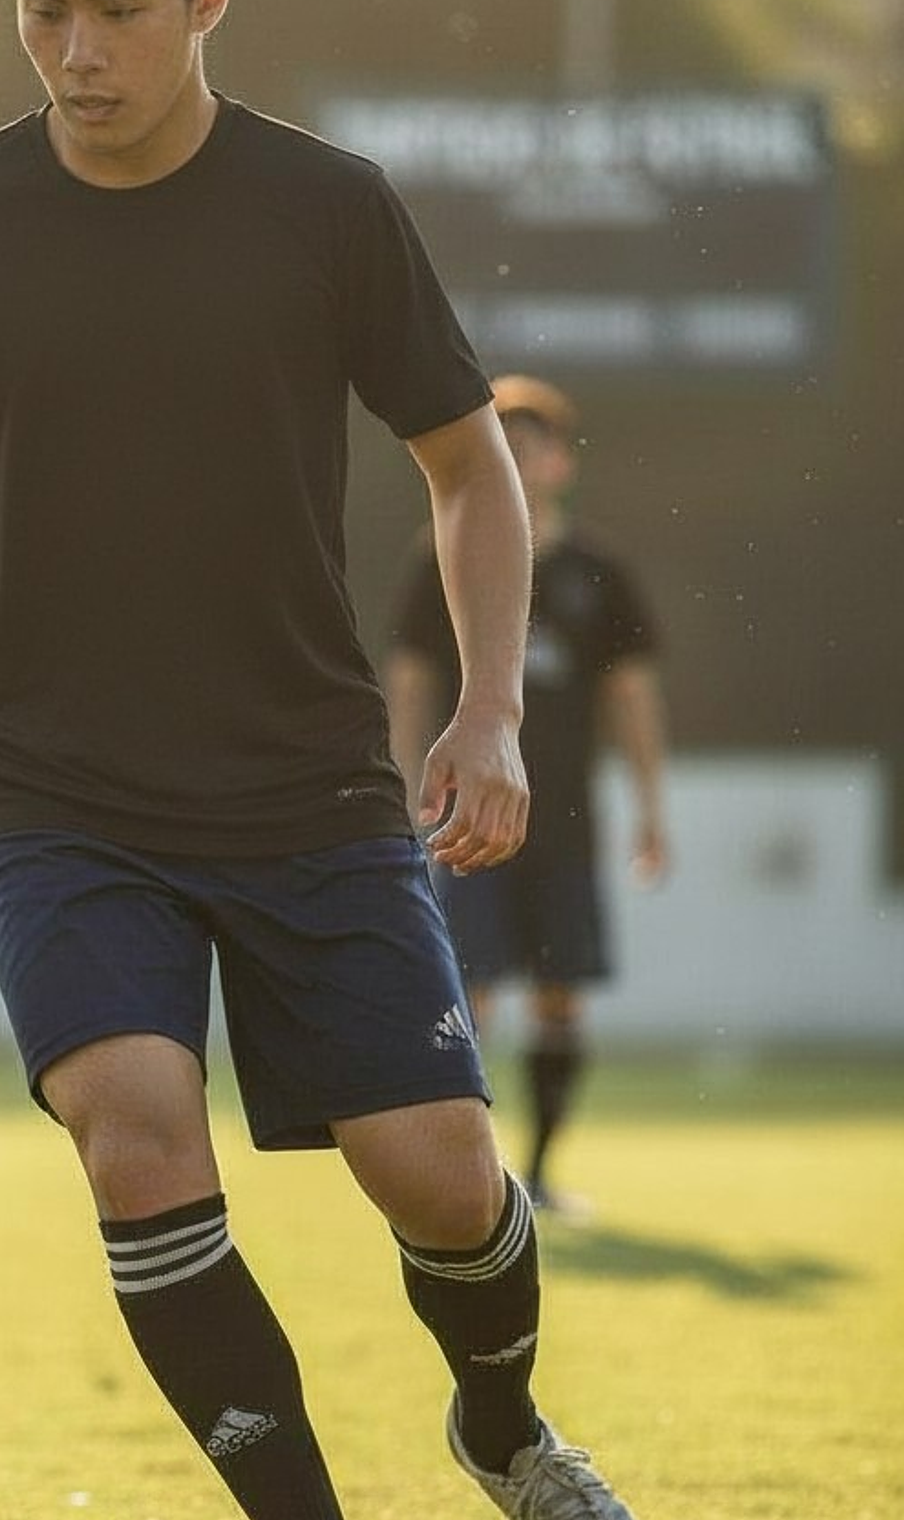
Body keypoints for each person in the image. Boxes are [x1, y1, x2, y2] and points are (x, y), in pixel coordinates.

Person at [0, 5, 638, 1516]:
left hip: (308, 783)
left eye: (118, 9)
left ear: (202, 6)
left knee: (439, 1176)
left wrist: (489, 702)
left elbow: (466, 462)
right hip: (60, 797)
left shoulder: (329, 207)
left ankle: (504, 1433)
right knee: (137, 1140)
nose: (77, 48)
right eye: (46, 10)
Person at [386, 374, 670, 1217]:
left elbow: (632, 696)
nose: (513, 455)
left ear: (558, 462)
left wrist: (653, 809)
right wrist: (408, 787)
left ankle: (538, 1174)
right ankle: (465, 1179)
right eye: (498, 441)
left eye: (529, 442)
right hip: (467, 813)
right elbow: (410, 680)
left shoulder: (599, 573)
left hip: (567, 821)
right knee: (464, 990)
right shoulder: (439, 555)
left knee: (559, 990)